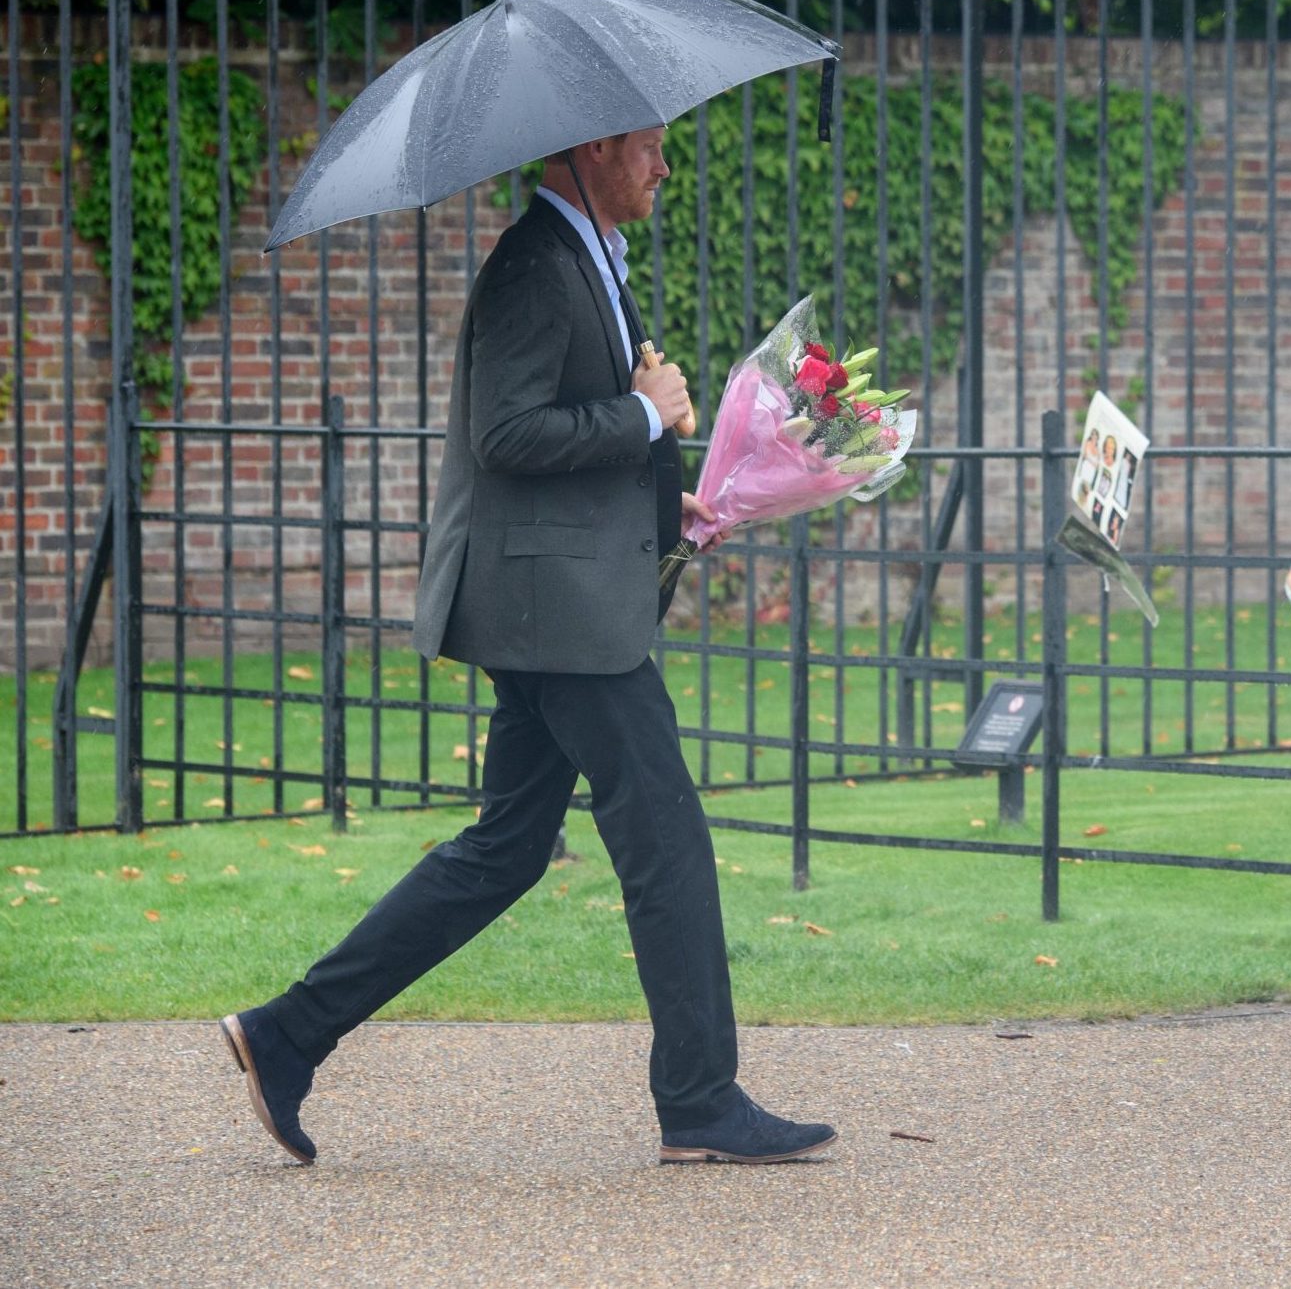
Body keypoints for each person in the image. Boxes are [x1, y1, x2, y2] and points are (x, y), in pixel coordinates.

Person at [220, 128, 834, 1168]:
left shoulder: (585, 257)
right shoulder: (535, 266)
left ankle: (285, 1035)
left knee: (504, 851)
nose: (664, 168)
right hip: (558, 620)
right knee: (668, 838)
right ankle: (698, 1102)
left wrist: (659, 495)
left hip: (554, 603)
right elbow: (505, 434)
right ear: (593, 148)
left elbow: (560, 434)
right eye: (650, 149)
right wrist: (646, 416)